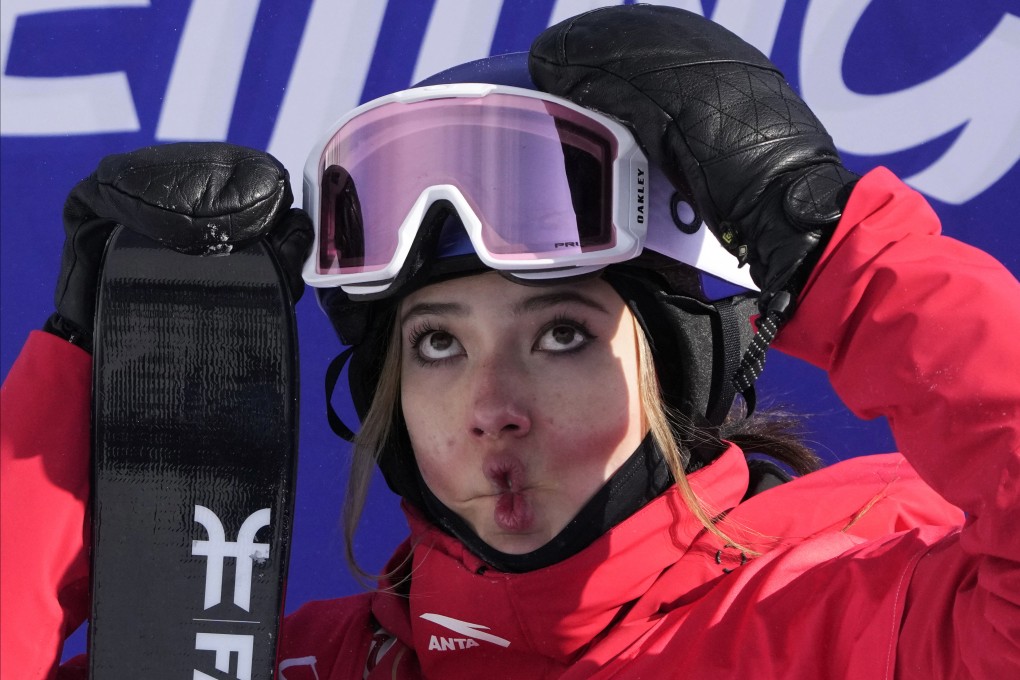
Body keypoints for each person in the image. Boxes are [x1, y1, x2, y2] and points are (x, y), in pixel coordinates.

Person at [2, 5, 1017, 679]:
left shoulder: (857, 616)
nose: (492, 404)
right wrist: (91, 374)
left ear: (685, 367)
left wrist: (835, 247)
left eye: (563, 332)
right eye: (438, 344)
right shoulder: (294, 662)